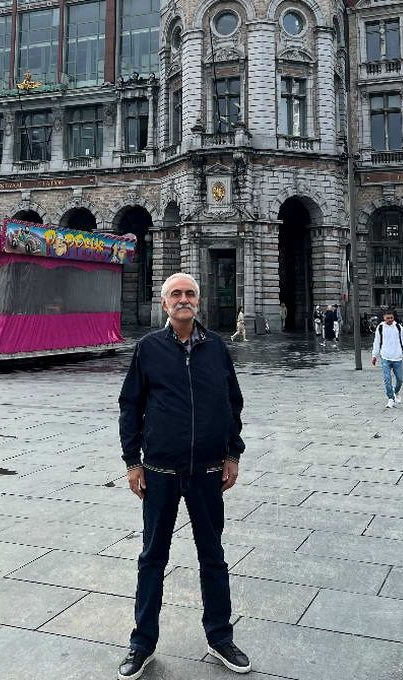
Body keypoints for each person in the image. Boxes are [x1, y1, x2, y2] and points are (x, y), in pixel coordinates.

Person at [117, 272, 250, 679]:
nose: (183, 299)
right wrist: (132, 462)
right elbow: (130, 406)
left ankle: (220, 637)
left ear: (199, 300)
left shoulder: (217, 348)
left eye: (190, 293)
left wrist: (232, 453)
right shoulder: (148, 348)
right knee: (152, 557)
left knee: (213, 557)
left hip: (208, 470)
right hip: (159, 471)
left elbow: (232, 402)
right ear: (164, 303)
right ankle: (142, 643)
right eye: (176, 294)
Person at [372, 309, 403, 408]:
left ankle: (396, 391)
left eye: (391, 318)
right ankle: (390, 398)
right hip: (385, 356)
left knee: (400, 379)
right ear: (384, 318)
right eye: (388, 318)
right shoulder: (380, 327)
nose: (390, 320)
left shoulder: (398, 327)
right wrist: (374, 355)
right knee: (387, 379)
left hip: (397, 357)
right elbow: (376, 342)